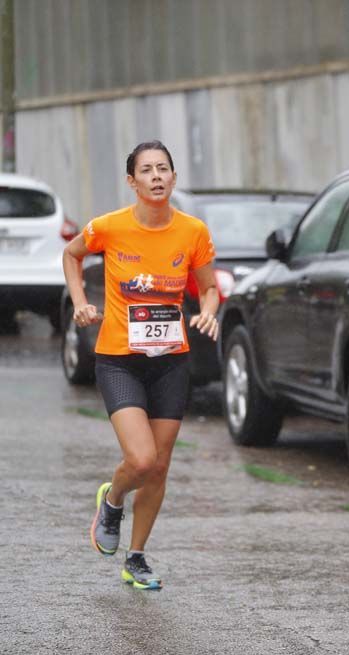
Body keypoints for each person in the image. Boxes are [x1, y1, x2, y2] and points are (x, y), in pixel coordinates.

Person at [63, 140, 219, 590]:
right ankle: (112, 501)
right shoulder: (108, 228)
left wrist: (208, 308)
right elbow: (71, 255)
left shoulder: (193, 232)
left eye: (163, 168)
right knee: (142, 458)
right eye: (146, 170)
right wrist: (80, 303)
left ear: (173, 178)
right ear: (132, 182)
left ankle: (136, 557)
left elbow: (208, 286)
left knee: (161, 465)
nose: (156, 176)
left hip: (171, 361)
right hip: (119, 360)